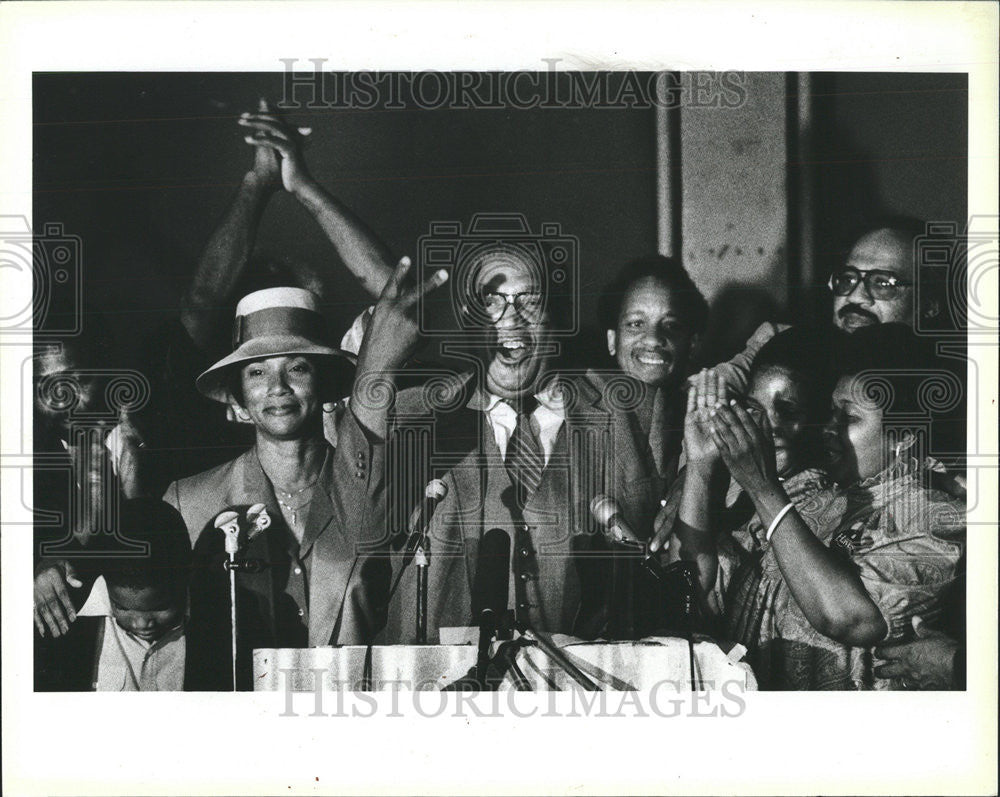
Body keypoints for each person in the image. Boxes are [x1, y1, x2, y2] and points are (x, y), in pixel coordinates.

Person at [375, 243, 674, 645]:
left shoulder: (636, 410)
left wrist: (694, 475)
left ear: (558, 316)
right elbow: (354, 506)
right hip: (446, 689)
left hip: (589, 688)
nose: (511, 318)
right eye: (492, 301)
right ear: (469, 319)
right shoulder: (414, 415)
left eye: (530, 300)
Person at [673, 323, 964, 689]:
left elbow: (850, 619)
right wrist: (699, 468)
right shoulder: (809, 493)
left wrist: (764, 490)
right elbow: (690, 593)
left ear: (904, 437)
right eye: (829, 413)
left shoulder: (935, 518)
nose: (830, 428)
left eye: (850, 418)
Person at [34, 498, 207, 691]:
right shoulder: (64, 614)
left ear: (189, 574)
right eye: (122, 607)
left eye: (160, 607)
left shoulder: (218, 620)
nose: (141, 624)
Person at [598, 255, 708, 481]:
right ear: (612, 340)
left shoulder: (705, 421)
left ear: (692, 344)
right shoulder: (580, 416)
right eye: (636, 324)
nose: (652, 339)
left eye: (671, 325)